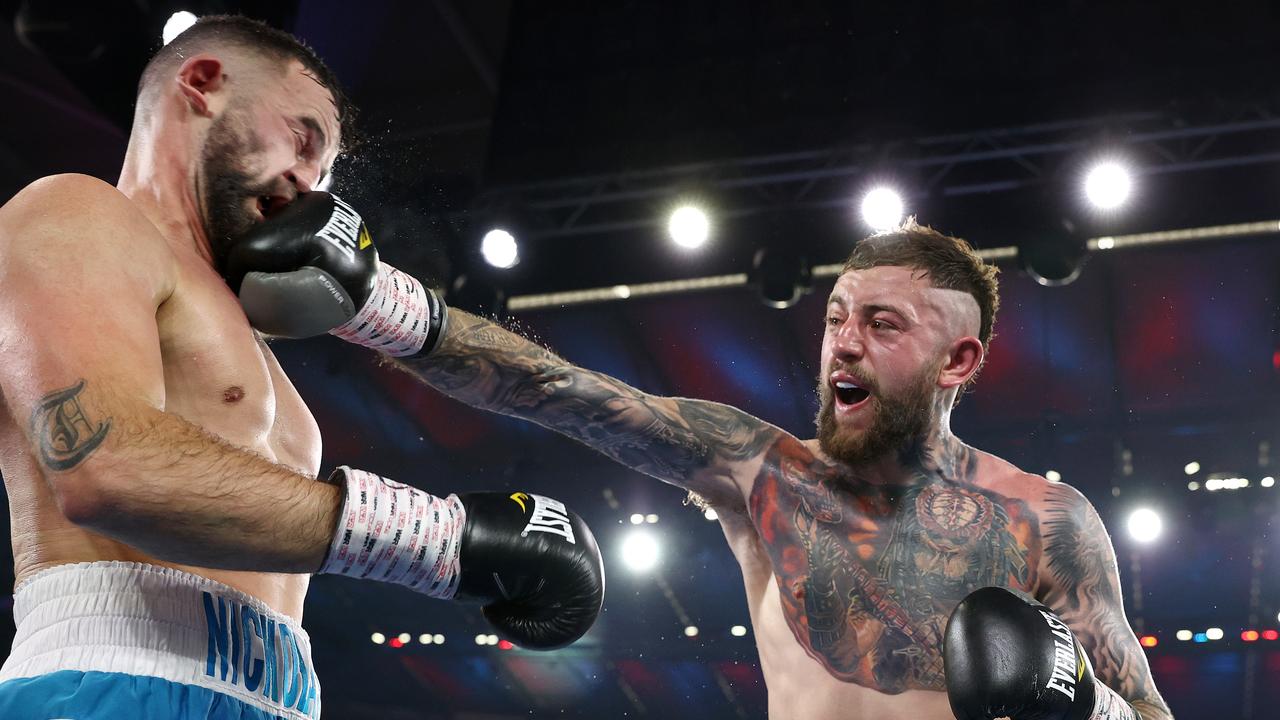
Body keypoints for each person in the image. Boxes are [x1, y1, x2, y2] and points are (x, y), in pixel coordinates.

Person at [227, 188, 1176, 718]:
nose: (842, 343)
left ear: (957, 360)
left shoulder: (1048, 521)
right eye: (837, 317)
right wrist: (382, 305)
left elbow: (1148, 715)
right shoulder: (762, 471)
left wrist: (1086, 710)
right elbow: (564, 394)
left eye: (881, 325)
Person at [0, 16, 604, 720]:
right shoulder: (76, 212)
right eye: (304, 138)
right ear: (203, 83)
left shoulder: (241, 331)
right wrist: (443, 542)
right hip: (114, 678)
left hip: (279, 695)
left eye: (323, 171)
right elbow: (106, 467)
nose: (310, 184)